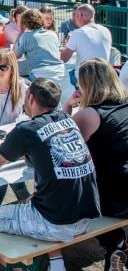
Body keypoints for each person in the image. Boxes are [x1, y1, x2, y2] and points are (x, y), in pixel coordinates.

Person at [0, 78, 101, 271]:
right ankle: (57, 266)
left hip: (55, 223)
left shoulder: (26, 129)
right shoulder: (68, 121)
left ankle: (18, 267)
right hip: (89, 215)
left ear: (31, 99)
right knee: (35, 200)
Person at [63, 59, 128, 271]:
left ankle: (116, 243)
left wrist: (66, 106)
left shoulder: (88, 115)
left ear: (87, 85)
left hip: (113, 194)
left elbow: (60, 145)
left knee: (72, 194)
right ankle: (117, 249)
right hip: (123, 185)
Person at [15, 9, 65, 82]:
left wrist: (21, 32)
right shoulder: (53, 34)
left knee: (17, 78)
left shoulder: (26, 36)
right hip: (61, 72)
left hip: (40, 76)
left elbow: (14, 56)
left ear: (24, 23)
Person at [61, 4, 112, 73]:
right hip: (104, 75)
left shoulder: (78, 33)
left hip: (84, 77)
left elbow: (63, 59)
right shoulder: (106, 31)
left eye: (75, 15)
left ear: (80, 15)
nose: (74, 19)